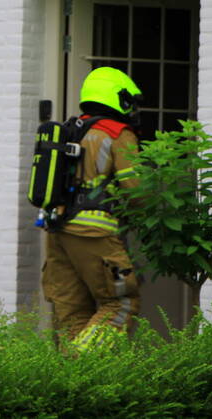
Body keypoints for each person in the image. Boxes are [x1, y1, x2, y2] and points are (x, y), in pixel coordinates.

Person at [41, 66, 143, 353]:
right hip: (95, 234)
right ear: (117, 97)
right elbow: (136, 192)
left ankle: (74, 387)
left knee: (73, 313)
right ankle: (83, 364)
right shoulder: (117, 133)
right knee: (121, 303)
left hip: (57, 232)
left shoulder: (69, 131)